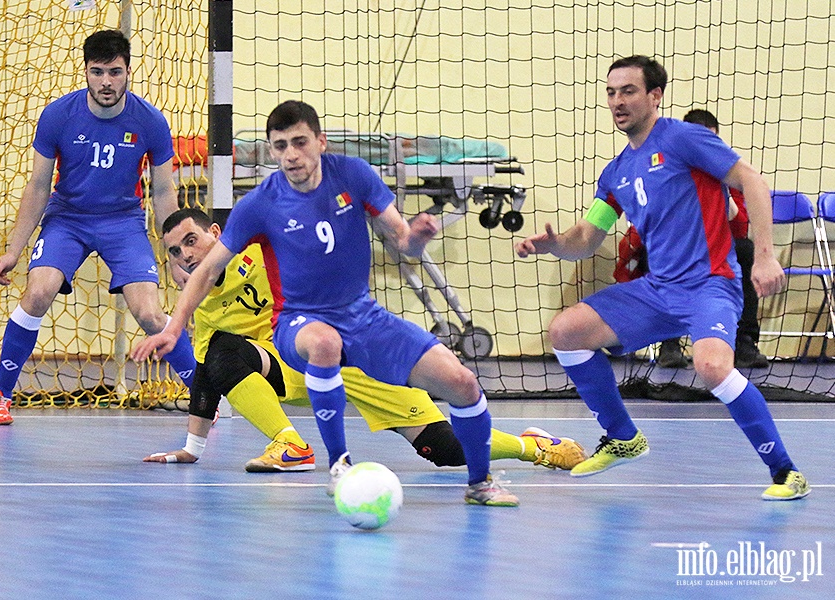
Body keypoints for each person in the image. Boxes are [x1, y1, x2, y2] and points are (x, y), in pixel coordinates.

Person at [133, 100, 519, 506]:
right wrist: (173, 328)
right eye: (280, 146)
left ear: (321, 141)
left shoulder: (353, 175)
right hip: (297, 324)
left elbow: (402, 240)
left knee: (461, 386)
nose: (291, 155)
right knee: (323, 342)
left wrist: (418, 236)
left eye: (299, 142)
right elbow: (208, 273)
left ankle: (482, 483)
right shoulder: (259, 205)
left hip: (364, 318)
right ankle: (338, 465)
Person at [514, 55, 810, 500]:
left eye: (628, 91)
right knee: (566, 331)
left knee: (712, 367)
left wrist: (763, 257)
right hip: (658, 290)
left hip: (709, 282)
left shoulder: (684, 138)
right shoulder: (615, 173)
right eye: (611, 92)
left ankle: (786, 472)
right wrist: (555, 245)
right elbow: (587, 239)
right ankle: (622, 437)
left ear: (655, 96)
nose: (617, 101)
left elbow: (752, 180)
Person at [141, 208, 587, 474]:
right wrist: (191, 449)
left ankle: (533, 447)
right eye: (176, 252)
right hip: (297, 365)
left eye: (191, 241)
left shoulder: (261, 249)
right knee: (224, 352)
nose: (186, 256)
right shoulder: (200, 304)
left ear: (215, 236)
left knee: (444, 450)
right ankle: (289, 444)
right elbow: (208, 373)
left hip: (352, 353)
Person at [0, 29, 196, 425]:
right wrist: (14, 249)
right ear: (85, 71)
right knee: (38, 293)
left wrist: (176, 256)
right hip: (68, 219)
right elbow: (37, 186)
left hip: (124, 223)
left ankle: (202, 392)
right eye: (97, 72)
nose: (106, 82)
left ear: (128, 71)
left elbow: (165, 191)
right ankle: (0, 394)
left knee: (150, 314)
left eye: (115, 72)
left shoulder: (150, 121)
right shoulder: (57, 116)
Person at [618, 109, 769, 370]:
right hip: (675, 253)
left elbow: (740, 226)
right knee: (652, 252)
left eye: (710, 142)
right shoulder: (661, 172)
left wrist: (721, 191)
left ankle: (743, 341)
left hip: (716, 255)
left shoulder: (729, 173)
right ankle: (669, 342)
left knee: (745, 250)